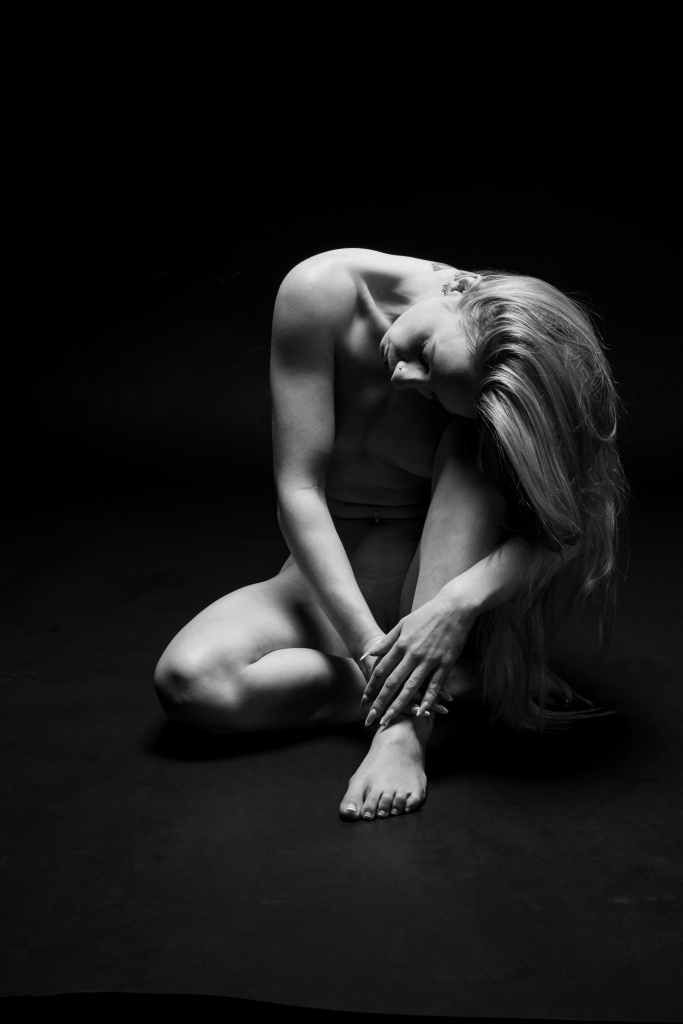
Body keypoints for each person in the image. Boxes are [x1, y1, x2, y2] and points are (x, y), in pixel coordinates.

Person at [154, 248, 626, 821]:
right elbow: (299, 490)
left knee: (473, 452)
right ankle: (455, 684)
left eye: (432, 391)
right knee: (190, 682)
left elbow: (567, 531)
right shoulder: (319, 292)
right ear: (462, 293)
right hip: (327, 587)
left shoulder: (511, 375)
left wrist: (455, 605)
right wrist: (372, 651)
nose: (406, 377)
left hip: (432, 586)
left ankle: (403, 732)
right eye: (426, 354)